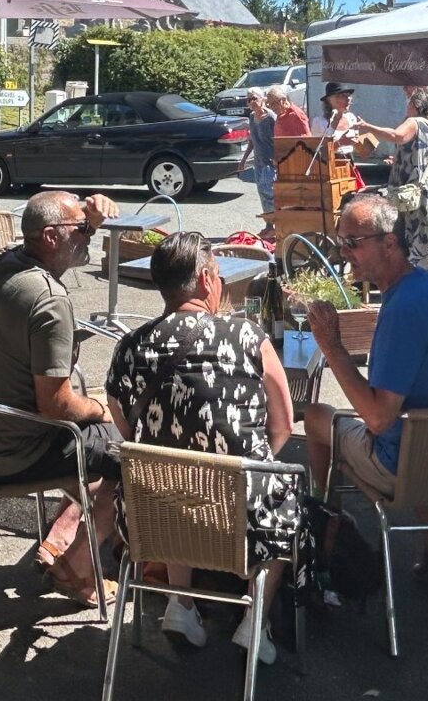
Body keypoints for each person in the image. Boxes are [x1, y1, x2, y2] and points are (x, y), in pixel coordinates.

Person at [106, 231, 298, 663]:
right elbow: (282, 426)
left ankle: (181, 604)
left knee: (167, 475)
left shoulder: (128, 347)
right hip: (238, 514)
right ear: (208, 280)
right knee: (283, 496)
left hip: (151, 515)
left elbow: (127, 431)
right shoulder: (248, 338)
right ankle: (256, 617)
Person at [305, 190, 428, 579]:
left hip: (413, 467)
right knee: (411, 424)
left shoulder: (401, 309)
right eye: (341, 243)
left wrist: (332, 346)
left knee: (316, 417)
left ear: (389, 242)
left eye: (352, 243)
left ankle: (322, 539)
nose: (343, 253)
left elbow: (377, 419)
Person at [0, 187, 121, 607]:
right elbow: (57, 406)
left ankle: (65, 535)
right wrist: (101, 409)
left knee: (101, 441)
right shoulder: (51, 303)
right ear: (51, 236)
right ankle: (78, 567)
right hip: (18, 453)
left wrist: (87, 223)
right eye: (81, 230)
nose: (88, 236)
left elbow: (46, 263)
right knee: (132, 450)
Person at [356, 88, 428, 275]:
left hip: (412, 193)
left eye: (409, 102)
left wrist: (368, 127)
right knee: (427, 234)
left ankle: (410, 275)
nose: (406, 106)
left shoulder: (414, 121)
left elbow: (397, 135)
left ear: (416, 105)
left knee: (408, 235)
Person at [240, 87, 277, 217]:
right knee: (262, 193)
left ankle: (275, 224)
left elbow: (279, 140)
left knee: (269, 191)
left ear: (262, 99)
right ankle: (268, 225)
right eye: (249, 100)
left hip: (271, 161)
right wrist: (244, 160)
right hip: (259, 161)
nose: (251, 102)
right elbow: (252, 140)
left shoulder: (271, 117)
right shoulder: (251, 117)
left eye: (254, 98)